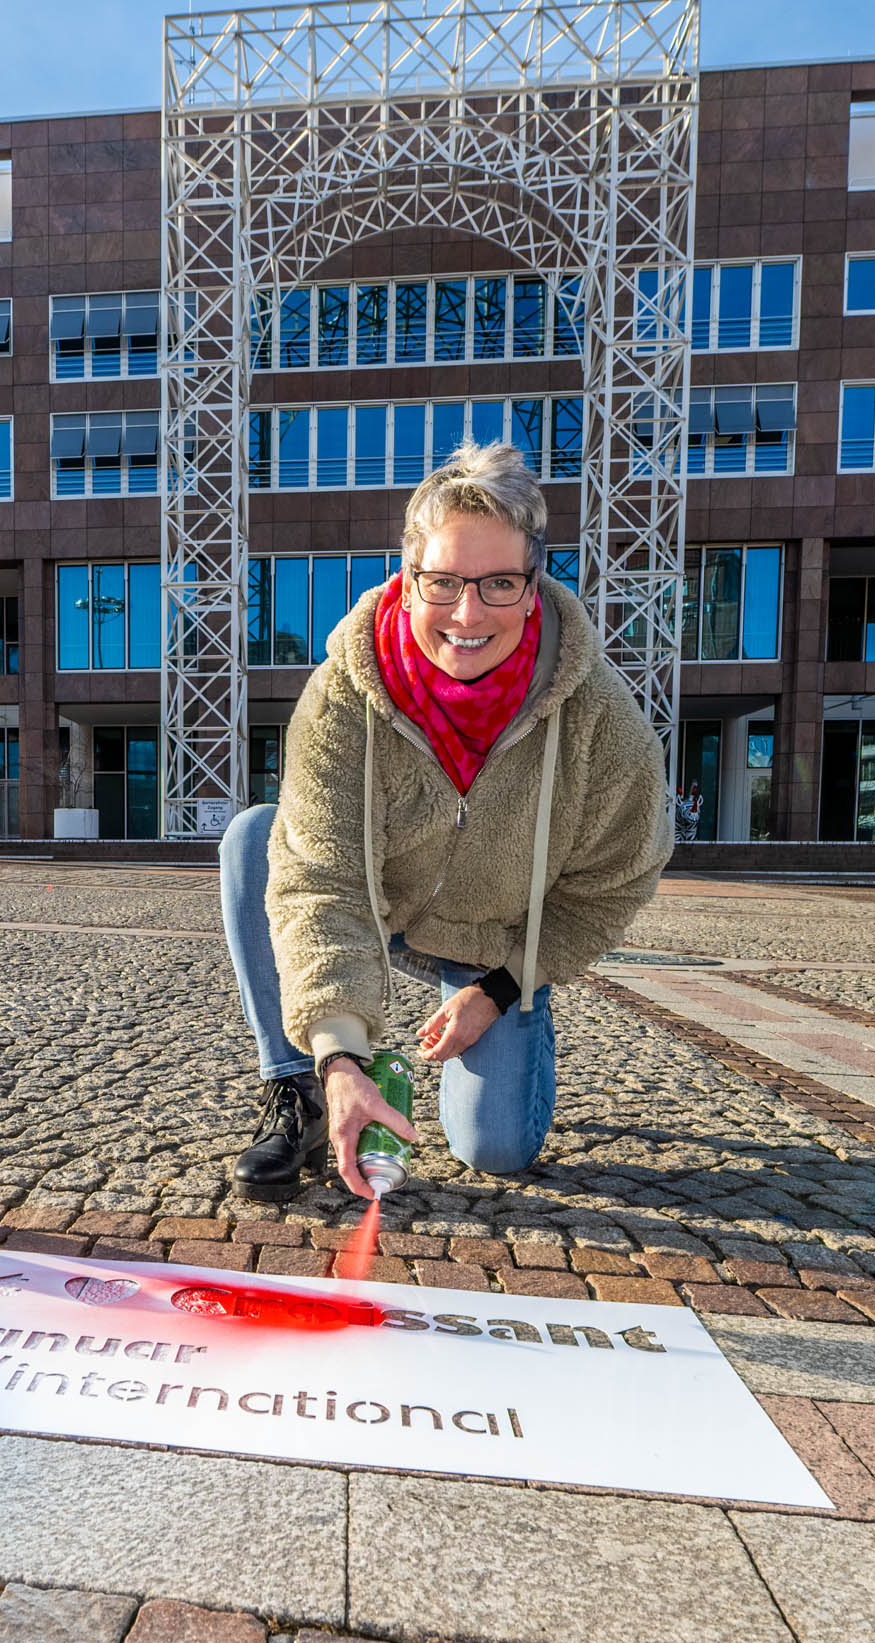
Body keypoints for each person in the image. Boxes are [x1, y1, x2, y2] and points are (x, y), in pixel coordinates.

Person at [219, 441, 673, 1201]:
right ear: (407, 579)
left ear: (533, 586)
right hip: (378, 905)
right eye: (445, 582)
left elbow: (615, 880)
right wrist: (339, 1056)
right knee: (258, 839)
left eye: (499, 583)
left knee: (493, 1149)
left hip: (492, 941)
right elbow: (318, 881)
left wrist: (504, 985)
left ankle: (521, 1017)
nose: (469, 614)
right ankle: (300, 1091)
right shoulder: (342, 694)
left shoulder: (599, 715)